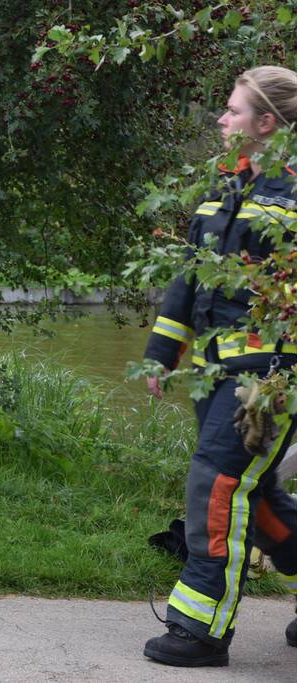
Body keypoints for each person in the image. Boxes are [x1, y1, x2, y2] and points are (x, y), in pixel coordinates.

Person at [140, 66, 297, 666]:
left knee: (218, 486)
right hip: (214, 374)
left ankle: (200, 631)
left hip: (269, 380)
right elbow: (189, 279)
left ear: (266, 124)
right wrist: (161, 353)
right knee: (252, 500)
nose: (221, 120)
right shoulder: (223, 191)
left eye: (232, 111)